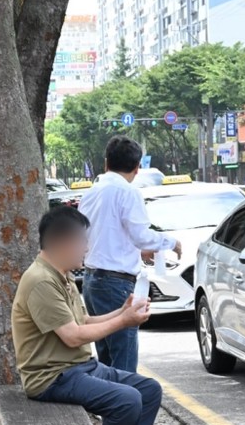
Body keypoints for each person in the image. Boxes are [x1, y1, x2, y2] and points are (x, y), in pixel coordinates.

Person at [12, 207, 162, 425]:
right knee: (127, 400)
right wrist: (124, 321)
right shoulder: (41, 281)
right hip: (52, 377)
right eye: (82, 241)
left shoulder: (61, 274)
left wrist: (122, 311)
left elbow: (82, 321)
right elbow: (72, 337)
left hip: (79, 367)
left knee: (148, 390)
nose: (86, 248)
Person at [78, 136, 182, 373]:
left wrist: (136, 250)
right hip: (116, 284)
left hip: (92, 280)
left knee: (106, 358)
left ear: (106, 163)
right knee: (123, 361)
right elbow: (141, 235)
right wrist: (171, 242)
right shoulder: (127, 192)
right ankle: (122, 399)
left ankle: (107, 398)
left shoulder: (91, 192)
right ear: (137, 168)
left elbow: (99, 235)